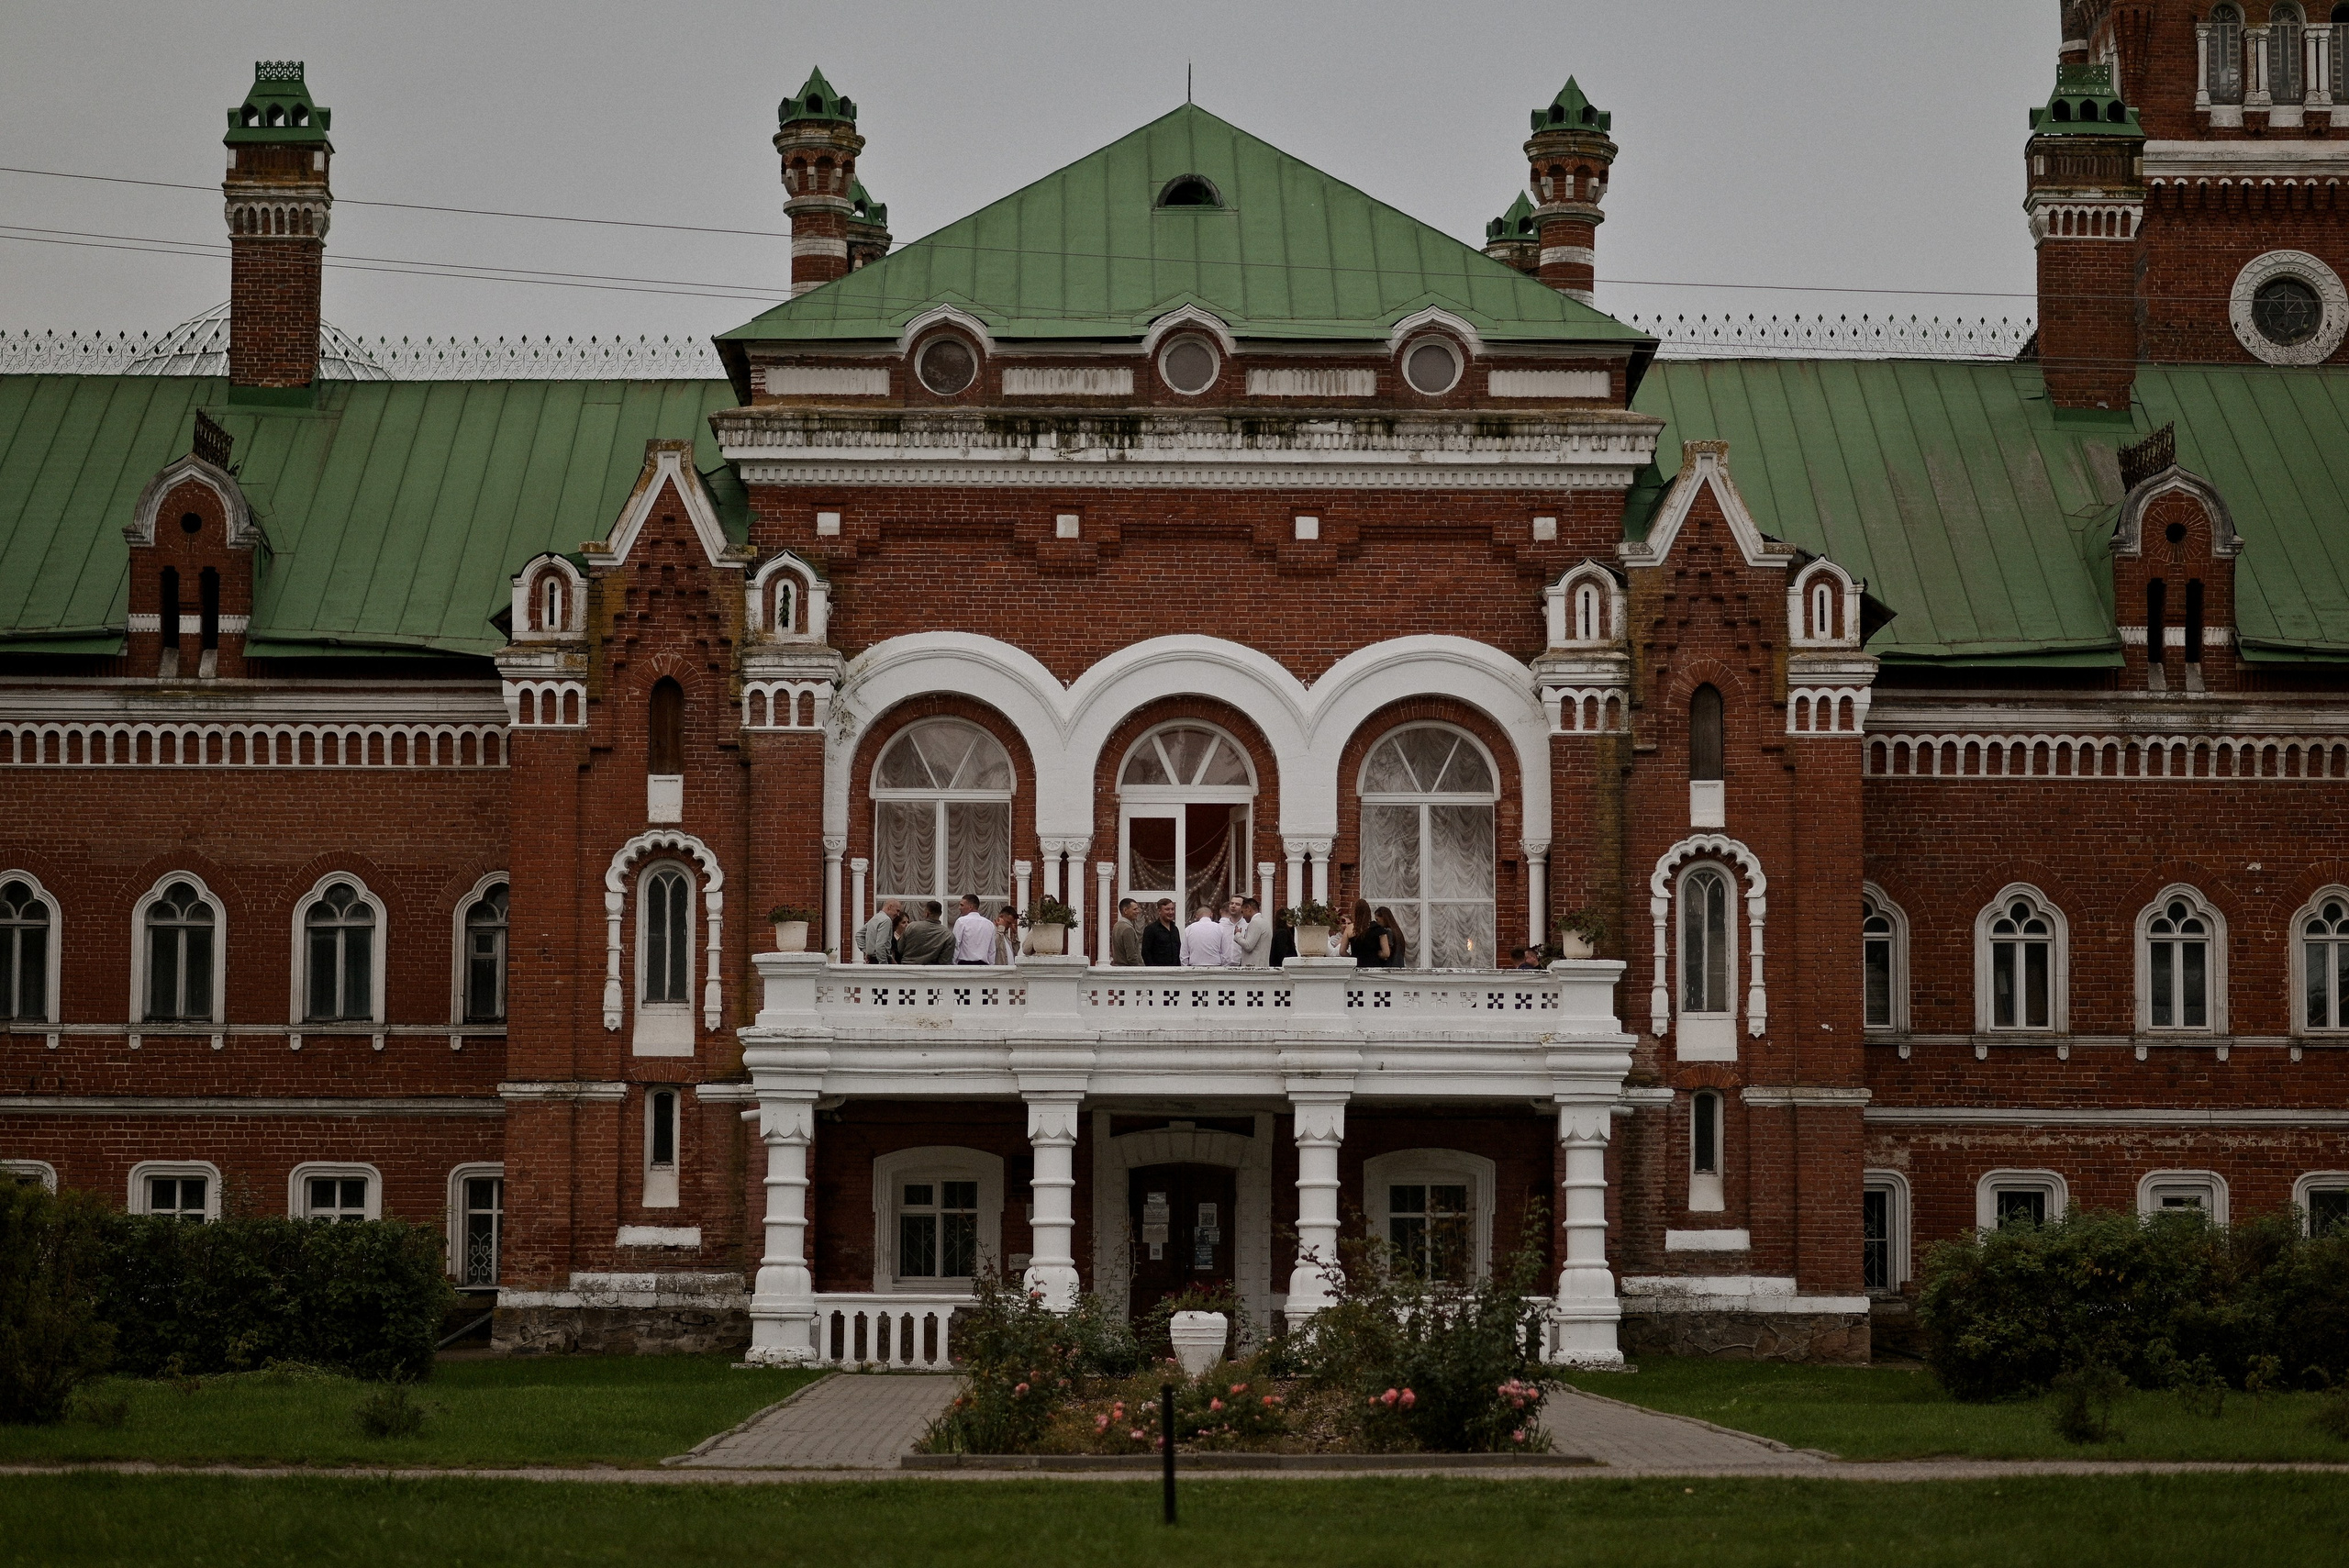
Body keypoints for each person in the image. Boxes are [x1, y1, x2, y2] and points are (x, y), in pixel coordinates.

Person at [896, 900, 953, 964]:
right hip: (930, 971)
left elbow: (899, 949)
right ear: (940, 914)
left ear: (927, 913)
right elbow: (945, 960)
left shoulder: (912, 927)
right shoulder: (948, 935)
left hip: (907, 967)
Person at [1182, 903, 1238, 967]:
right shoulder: (1220, 929)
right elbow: (1226, 953)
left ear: (1196, 916)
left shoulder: (1189, 929)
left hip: (1194, 967)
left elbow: (1184, 954)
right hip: (1216, 967)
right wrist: (1223, 968)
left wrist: (1185, 969)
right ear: (1211, 915)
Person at [952, 894, 996, 964]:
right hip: (984, 966)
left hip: (964, 964)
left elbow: (956, 944)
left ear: (970, 907)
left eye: (962, 905)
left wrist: (953, 963)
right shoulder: (989, 924)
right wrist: (991, 966)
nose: (959, 908)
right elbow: (992, 950)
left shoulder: (961, 921)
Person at [1346, 898, 1391, 968]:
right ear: (1368, 912)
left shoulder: (1349, 928)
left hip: (1356, 966)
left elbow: (1342, 951)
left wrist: (1352, 957)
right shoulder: (1378, 929)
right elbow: (1386, 953)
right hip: (1373, 967)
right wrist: (1376, 953)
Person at [857, 898, 902, 964]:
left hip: (872, 959)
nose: (898, 914)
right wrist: (883, 964)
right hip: (880, 960)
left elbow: (859, 935)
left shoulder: (875, 918)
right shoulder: (886, 920)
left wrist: (868, 951)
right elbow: (880, 945)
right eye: (897, 911)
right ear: (890, 907)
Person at [1232, 895, 1272, 967]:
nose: (1243, 916)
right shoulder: (1264, 922)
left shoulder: (1255, 922)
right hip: (1261, 966)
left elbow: (1248, 946)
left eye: (1242, 912)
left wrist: (1237, 935)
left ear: (1248, 908)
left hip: (1254, 968)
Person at [1141, 898, 1182, 966]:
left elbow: (1178, 950)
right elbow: (1146, 953)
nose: (1171, 912)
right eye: (1167, 909)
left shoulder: (1175, 929)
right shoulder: (1151, 929)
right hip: (1158, 972)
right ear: (1159, 911)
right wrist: (1153, 970)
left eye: (1172, 909)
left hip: (1175, 971)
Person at [1374, 906, 1409, 970]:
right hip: (1399, 966)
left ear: (1383, 918)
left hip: (1390, 966)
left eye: (1377, 919)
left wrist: (1375, 953)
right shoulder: (1397, 931)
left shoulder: (1388, 932)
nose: (1377, 923)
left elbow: (1387, 953)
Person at [1111, 897, 1144, 967]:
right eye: (1135, 909)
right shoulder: (1128, 928)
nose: (1138, 911)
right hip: (1128, 970)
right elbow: (1132, 956)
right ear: (1125, 910)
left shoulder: (1117, 925)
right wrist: (1139, 970)